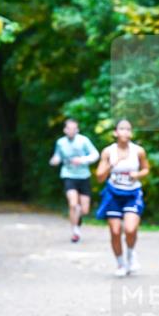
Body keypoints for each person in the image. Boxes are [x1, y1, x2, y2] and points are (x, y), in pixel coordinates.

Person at [95, 119, 149, 277]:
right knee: (115, 230)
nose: (125, 132)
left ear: (131, 133)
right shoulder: (108, 152)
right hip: (113, 194)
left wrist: (137, 174)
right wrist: (112, 165)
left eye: (128, 129)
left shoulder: (138, 151)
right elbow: (99, 177)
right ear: (115, 132)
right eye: (122, 129)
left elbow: (146, 169)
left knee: (131, 229)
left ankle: (131, 254)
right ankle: (120, 263)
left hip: (132, 193)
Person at [49, 119, 99, 242]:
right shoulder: (60, 142)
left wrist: (82, 160)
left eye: (74, 128)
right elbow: (58, 155)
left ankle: (78, 218)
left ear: (77, 130)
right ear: (65, 130)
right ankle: (75, 231)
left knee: (85, 209)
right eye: (69, 128)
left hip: (83, 176)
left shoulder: (84, 140)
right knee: (73, 204)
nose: (71, 131)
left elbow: (95, 155)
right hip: (68, 175)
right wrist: (55, 160)